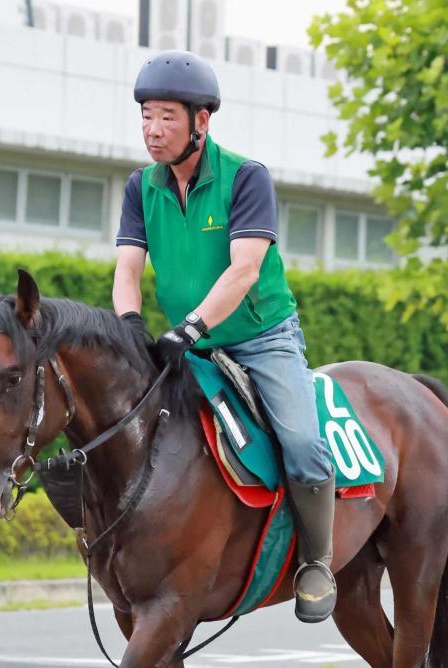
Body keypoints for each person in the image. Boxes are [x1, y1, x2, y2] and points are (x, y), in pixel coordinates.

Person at [112, 50, 336, 623]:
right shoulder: (141, 188)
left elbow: (244, 270)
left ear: (201, 122)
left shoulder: (246, 177)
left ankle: (317, 562)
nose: (152, 131)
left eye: (166, 117)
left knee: (305, 446)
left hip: (261, 339)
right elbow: (128, 270)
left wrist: (189, 328)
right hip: (187, 342)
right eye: (145, 117)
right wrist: (131, 326)